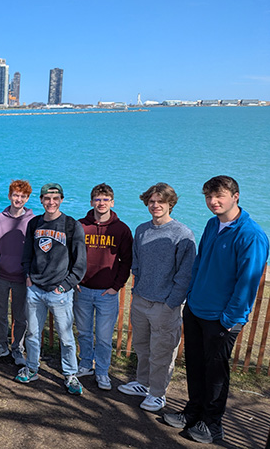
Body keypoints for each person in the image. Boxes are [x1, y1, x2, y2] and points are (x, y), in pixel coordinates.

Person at [163, 176, 268, 444]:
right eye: (209, 197)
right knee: (195, 367)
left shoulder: (251, 235)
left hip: (221, 319)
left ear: (236, 196)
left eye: (219, 196)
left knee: (216, 374)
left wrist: (229, 319)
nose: (213, 202)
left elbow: (247, 283)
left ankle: (212, 425)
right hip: (196, 309)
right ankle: (193, 413)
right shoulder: (212, 224)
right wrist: (191, 296)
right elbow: (199, 264)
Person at [117, 183, 196, 412]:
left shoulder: (183, 234)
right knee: (142, 347)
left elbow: (186, 273)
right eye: (152, 201)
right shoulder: (141, 229)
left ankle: (158, 393)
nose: (155, 205)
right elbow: (137, 262)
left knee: (162, 351)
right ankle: (143, 384)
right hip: (141, 300)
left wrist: (172, 302)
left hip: (165, 304)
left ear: (170, 203)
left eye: (161, 201)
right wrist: (137, 290)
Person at [17, 183, 87, 396]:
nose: (51, 202)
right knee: (32, 333)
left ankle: (70, 374)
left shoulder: (71, 225)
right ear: (41, 200)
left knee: (66, 337)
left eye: (55, 198)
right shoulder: (34, 223)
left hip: (60, 292)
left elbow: (80, 262)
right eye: (47, 198)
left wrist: (64, 286)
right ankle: (31, 368)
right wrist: (28, 276)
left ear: (61, 200)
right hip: (36, 288)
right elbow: (27, 253)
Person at [74, 183, 133, 391]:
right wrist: (75, 280)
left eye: (105, 199)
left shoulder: (122, 230)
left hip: (107, 292)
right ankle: (85, 364)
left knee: (105, 337)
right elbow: (72, 256)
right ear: (91, 202)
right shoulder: (81, 226)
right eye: (98, 199)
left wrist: (116, 287)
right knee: (83, 332)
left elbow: (126, 261)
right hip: (83, 290)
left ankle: (102, 371)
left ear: (112, 202)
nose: (101, 203)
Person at [0, 179, 35, 366]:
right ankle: (1, 345)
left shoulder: (32, 221)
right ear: (9, 196)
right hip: (0, 275)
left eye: (23, 196)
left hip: (22, 277)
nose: (18, 199)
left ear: (27, 198)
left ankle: (17, 348)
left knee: (20, 316)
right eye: (15, 195)